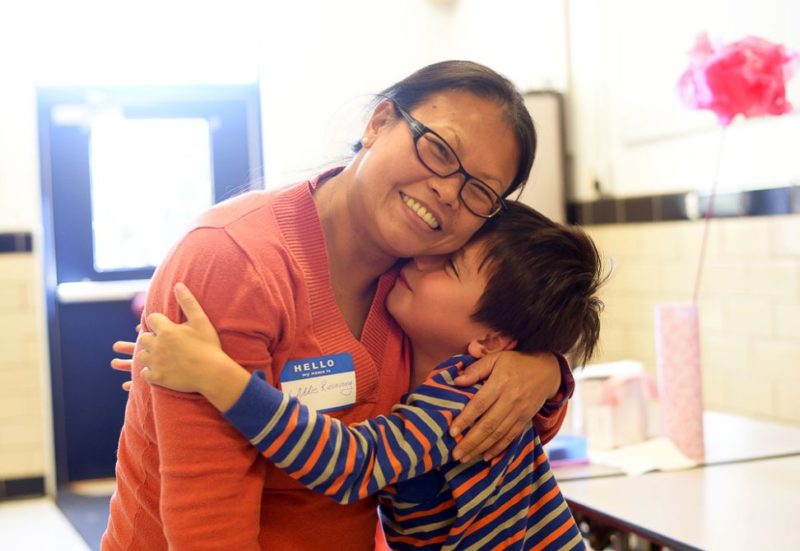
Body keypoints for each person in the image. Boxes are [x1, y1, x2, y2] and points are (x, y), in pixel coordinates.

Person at [102, 60, 574, 551]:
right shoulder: (235, 261)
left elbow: (499, 431)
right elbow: (210, 528)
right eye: (438, 149)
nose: (449, 191)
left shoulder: (418, 280)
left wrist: (542, 370)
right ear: (378, 123)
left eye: (480, 190)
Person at [134, 201, 603, 550]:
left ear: (495, 341)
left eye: (450, 265)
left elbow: (351, 463)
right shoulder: (433, 361)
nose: (422, 259)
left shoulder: (461, 397)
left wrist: (221, 379)